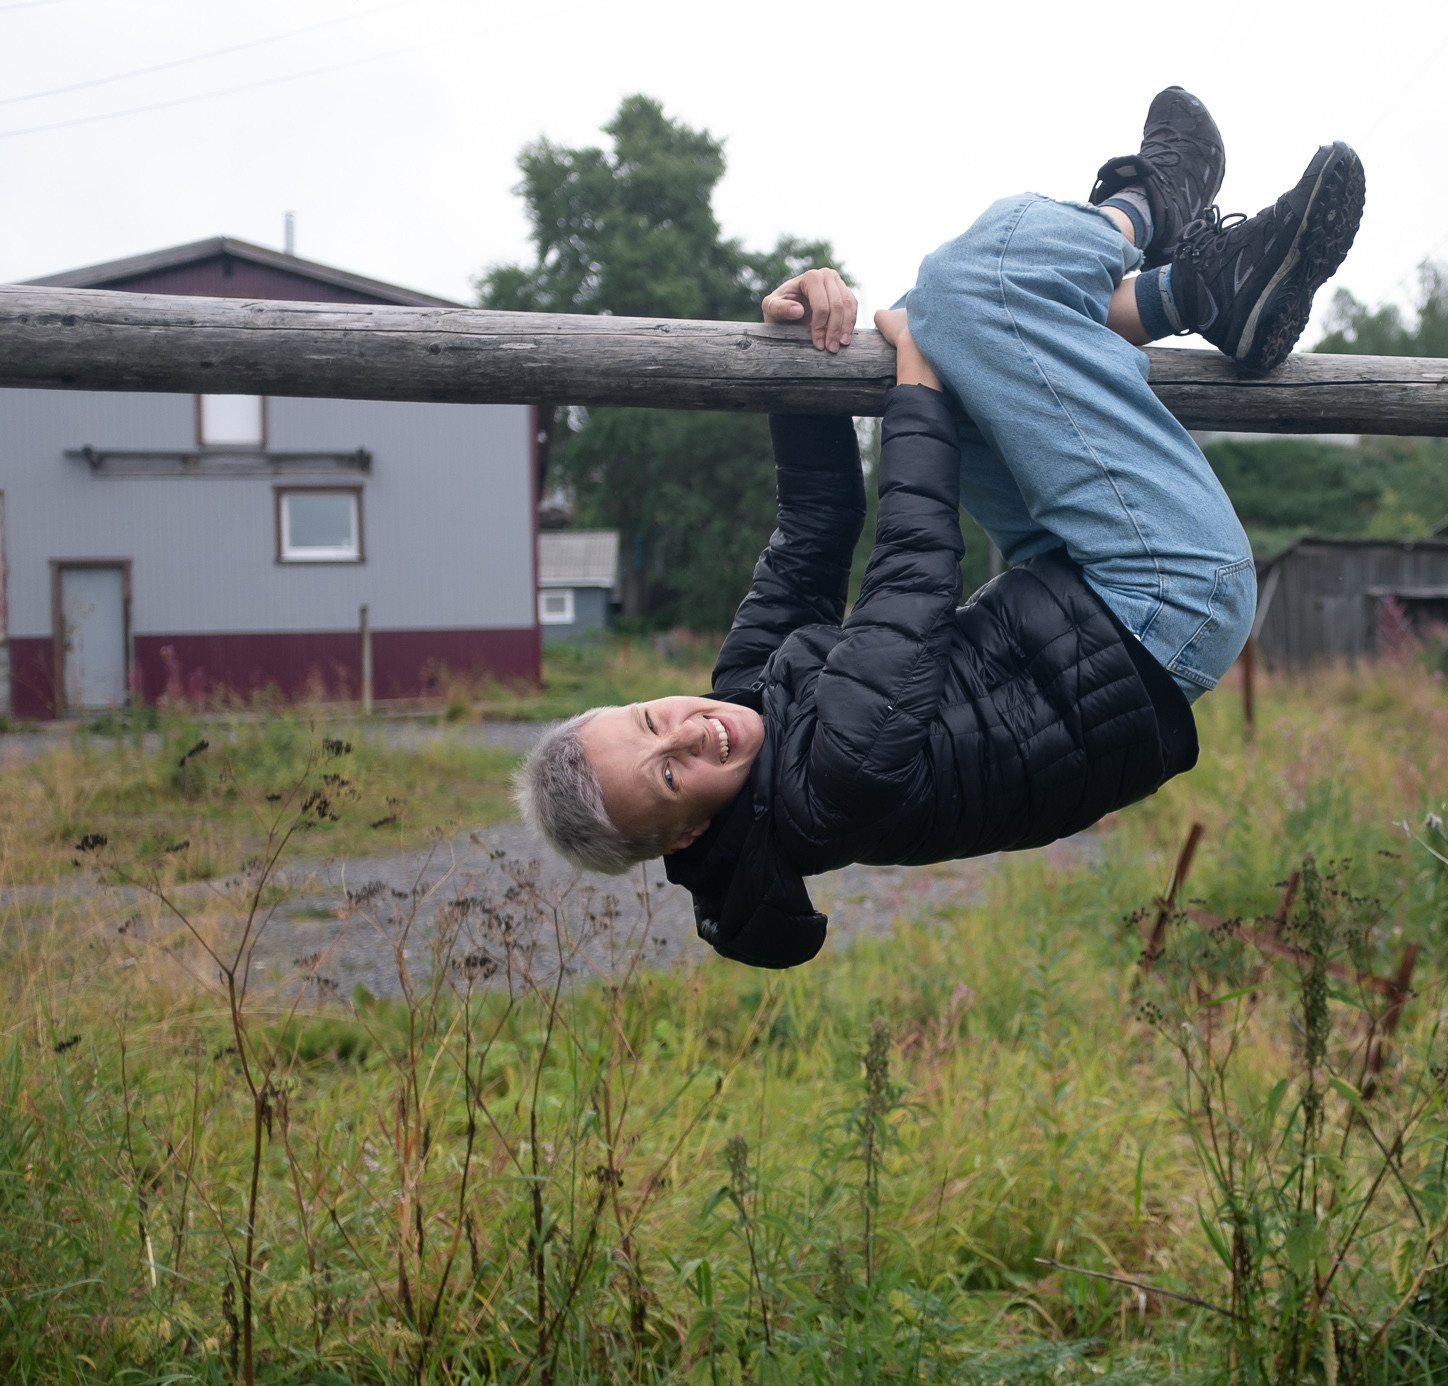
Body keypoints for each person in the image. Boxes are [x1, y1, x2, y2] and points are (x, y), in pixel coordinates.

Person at [515, 90, 1365, 967]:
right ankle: (1153, 203)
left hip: (1079, 592)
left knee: (931, 313)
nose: (693, 732)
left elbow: (814, 530)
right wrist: (911, 394)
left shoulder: (742, 702)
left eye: (653, 718)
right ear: (686, 835)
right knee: (969, 286)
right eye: (668, 774)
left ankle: (1205, 293)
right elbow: (912, 576)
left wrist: (798, 357)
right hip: (1165, 599)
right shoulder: (825, 793)